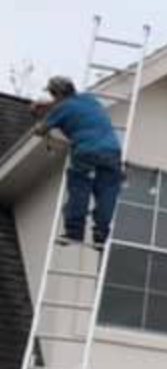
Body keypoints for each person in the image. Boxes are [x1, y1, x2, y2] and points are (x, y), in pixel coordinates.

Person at [31, 75, 123, 248]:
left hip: (86, 151)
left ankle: (74, 231)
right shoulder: (89, 99)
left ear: (56, 93)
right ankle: (101, 233)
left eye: (52, 94)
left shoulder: (61, 109)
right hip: (112, 151)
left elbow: (40, 130)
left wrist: (38, 119)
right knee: (107, 191)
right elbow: (74, 110)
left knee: (79, 186)